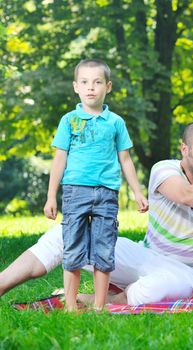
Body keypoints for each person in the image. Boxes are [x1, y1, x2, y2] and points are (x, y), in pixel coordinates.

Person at [0, 121, 193, 306]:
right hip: (147, 257)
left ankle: (95, 301)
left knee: (152, 289)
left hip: (190, 275)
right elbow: (186, 195)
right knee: (66, 234)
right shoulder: (164, 170)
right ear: (185, 149)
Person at [42, 59, 149, 311]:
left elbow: (125, 158)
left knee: (104, 249)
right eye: (85, 82)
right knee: (73, 249)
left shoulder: (115, 122)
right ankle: (70, 307)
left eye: (97, 82)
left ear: (108, 86)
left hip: (107, 194)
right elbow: (59, 159)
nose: (91, 87)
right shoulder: (68, 121)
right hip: (75, 192)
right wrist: (51, 196)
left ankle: (100, 308)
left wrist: (137, 192)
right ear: (75, 87)